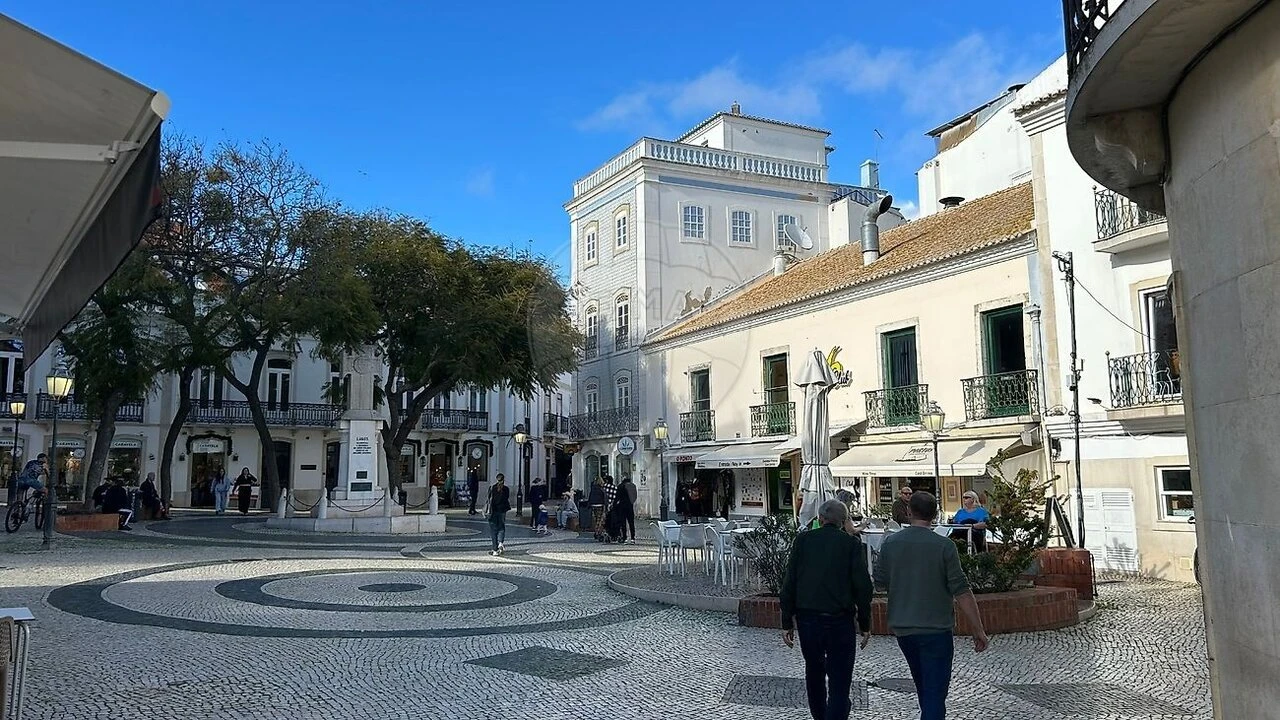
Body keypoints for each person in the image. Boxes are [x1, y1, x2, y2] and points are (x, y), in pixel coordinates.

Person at [874, 491, 990, 720]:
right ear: (935, 514)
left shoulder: (890, 543)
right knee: (935, 694)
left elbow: (879, 582)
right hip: (936, 628)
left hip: (904, 627)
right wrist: (978, 630)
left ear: (909, 512)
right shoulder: (944, 546)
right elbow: (962, 591)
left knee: (925, 689)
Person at [780, 499, 874, 720]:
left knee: (814, 672)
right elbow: (863, 586)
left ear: (820, 519)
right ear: (843, 522)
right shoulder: (851, 544)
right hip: (840, 620)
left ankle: (820, 716)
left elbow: (789, 581)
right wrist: (865, 622)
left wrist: (786, 620)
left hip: (808, 620)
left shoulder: (803, 540)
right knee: (840, 679)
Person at [486, 473, 511, 556]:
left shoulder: (493, 488)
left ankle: (495, 549)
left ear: (497, 479)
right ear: (504, 479)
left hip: (493, 511)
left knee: (493, 530)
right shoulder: (506, 489)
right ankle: (500, 542)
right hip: (502, 511)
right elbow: (506, 498)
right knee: (501, 527)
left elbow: (489, 499)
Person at [618, 475, 638, 543]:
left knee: (623, 523)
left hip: (622, 506)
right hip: (630, 506)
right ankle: (633, 538)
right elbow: (635, 496)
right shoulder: (633, 486)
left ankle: (625, 538)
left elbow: (617, 497)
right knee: (631, 522)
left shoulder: (620, 486)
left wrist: (614, 504)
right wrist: (631, 502)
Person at [588, 477, 607, 541]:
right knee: (599, 520)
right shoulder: (601, 489)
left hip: (593, 505)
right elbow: (604, 498)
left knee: (596, 519)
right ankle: (598, 532)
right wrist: (606, 505)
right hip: (600, 505)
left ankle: (597, 531)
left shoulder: (593, 488)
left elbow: (590, 496)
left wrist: (589, 504)